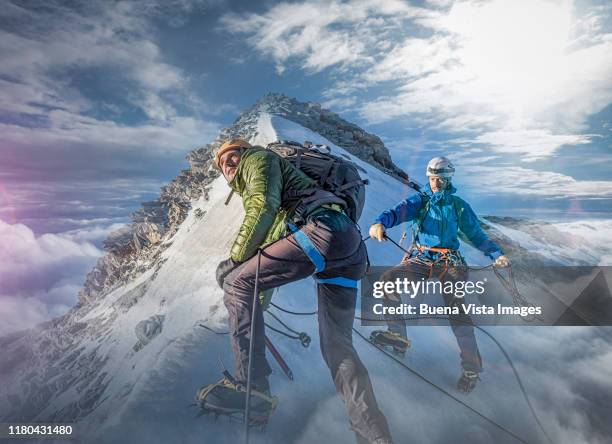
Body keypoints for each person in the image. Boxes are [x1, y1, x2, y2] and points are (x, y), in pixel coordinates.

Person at [206, 139, 393, 443]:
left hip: (322, 231)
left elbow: (261, 207)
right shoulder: (287, 183)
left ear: (244, 152)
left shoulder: (258, 159)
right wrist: (251, 307)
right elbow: (272, 249)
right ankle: (373, 435)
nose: (228, 164)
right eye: (222, 164)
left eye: (232, 156)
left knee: (236, 281)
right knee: (337, 347)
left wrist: (235, 262)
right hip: (348, 247)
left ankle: (251, 387)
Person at [368, 156, 509, 393]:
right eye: (433, 179)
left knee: (456, 309)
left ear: (448, 179)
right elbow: (397, 212)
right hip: (423, 259)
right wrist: (379, 223)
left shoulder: (458, 205)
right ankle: (397, 337)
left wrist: (497, 254)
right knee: (388, 281)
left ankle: (471, 368)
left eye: (441, 180)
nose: (436, 183)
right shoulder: (421, 201)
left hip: (450, 262)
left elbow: (476, 235)